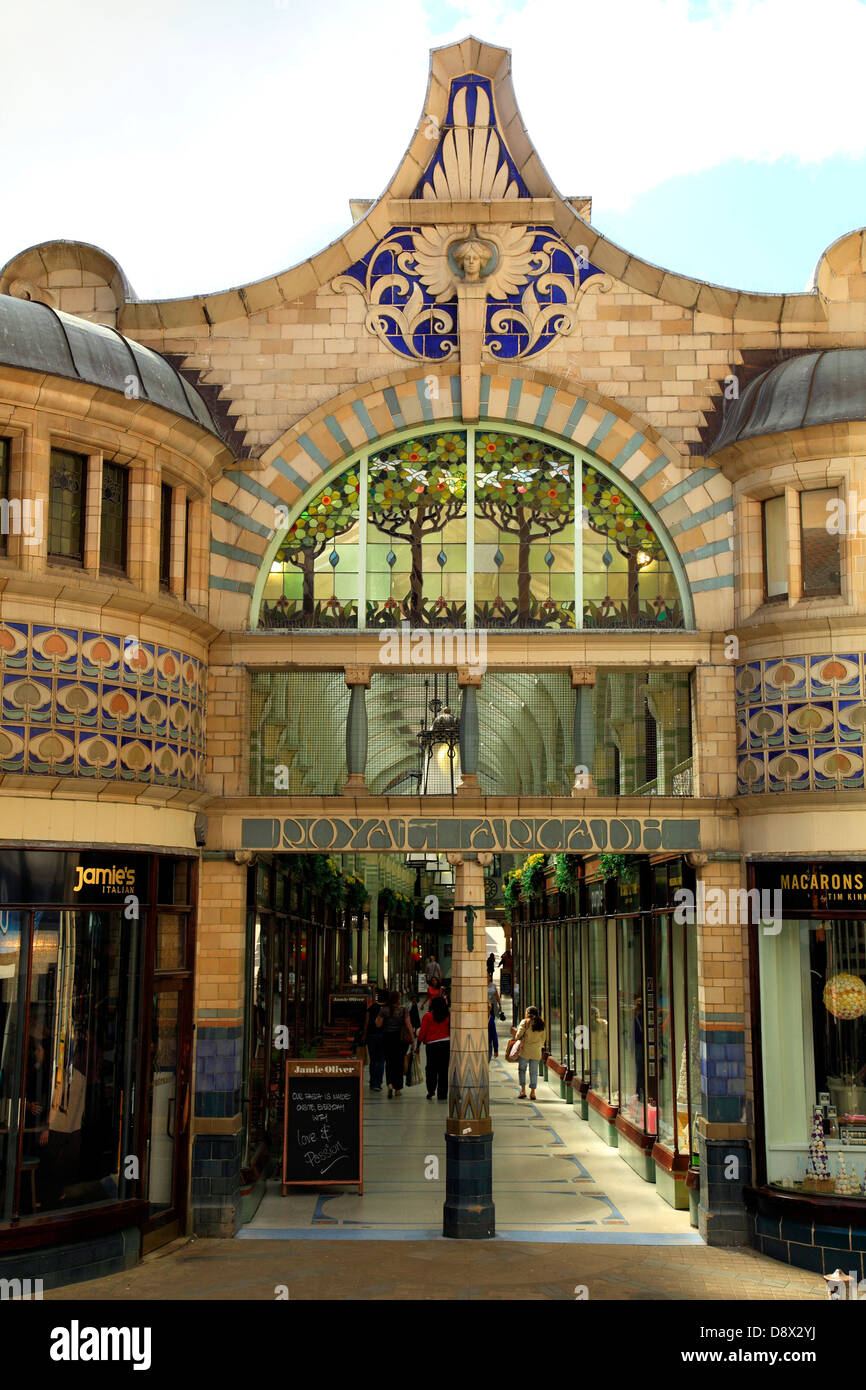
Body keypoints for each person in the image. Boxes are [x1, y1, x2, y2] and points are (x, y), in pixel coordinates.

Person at [376, 991, 414, 1098]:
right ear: (398, 998)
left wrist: (378, 1017)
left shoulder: (383, 1010)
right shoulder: (403, 1009)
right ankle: (398, 1089)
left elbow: (378, 1025)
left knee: (389, 1062)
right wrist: (412, 1040)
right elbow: (408, 1025)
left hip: (387, 1038)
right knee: (399, 1063)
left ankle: (390, 1084)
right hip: (400, 1039)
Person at [416, 994, 450, 1100]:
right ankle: (442, 1094)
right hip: (446, 1045)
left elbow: (422, 1032)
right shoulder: (449, 1016)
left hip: (432, 1046)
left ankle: (431, 1090)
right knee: (443, 1070)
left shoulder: (428, 1016)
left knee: (431, 1069)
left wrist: (418, 1045)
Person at [513, 1005, 546, 1101]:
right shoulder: (541, 1023)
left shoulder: (525, 1022)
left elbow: (517, 1036)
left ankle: (523, 1091)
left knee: (522, 1070)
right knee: (534, 1072)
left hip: (525, 1050)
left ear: (528, 1013)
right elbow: (543, 1038)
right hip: (536, 1051)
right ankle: (533, 1092)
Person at [362, 992, 384, 1092]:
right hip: (383, 1037)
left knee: (373, 1060)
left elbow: (366, 1022)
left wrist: (364, 1035)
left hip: (371, 1036)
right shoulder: (387, 1009)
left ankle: (372, 1081)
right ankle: (378, 1083)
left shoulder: (371, 1008)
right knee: (381, 1061)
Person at [487, 974, 501, 1060]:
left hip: (491, 1006)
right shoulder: (480, 985)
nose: (487, 978)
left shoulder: (493, 986)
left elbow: (496, 995)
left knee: (491, 1022)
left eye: (488, 976)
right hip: (484, 1006)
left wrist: (500, 1004)